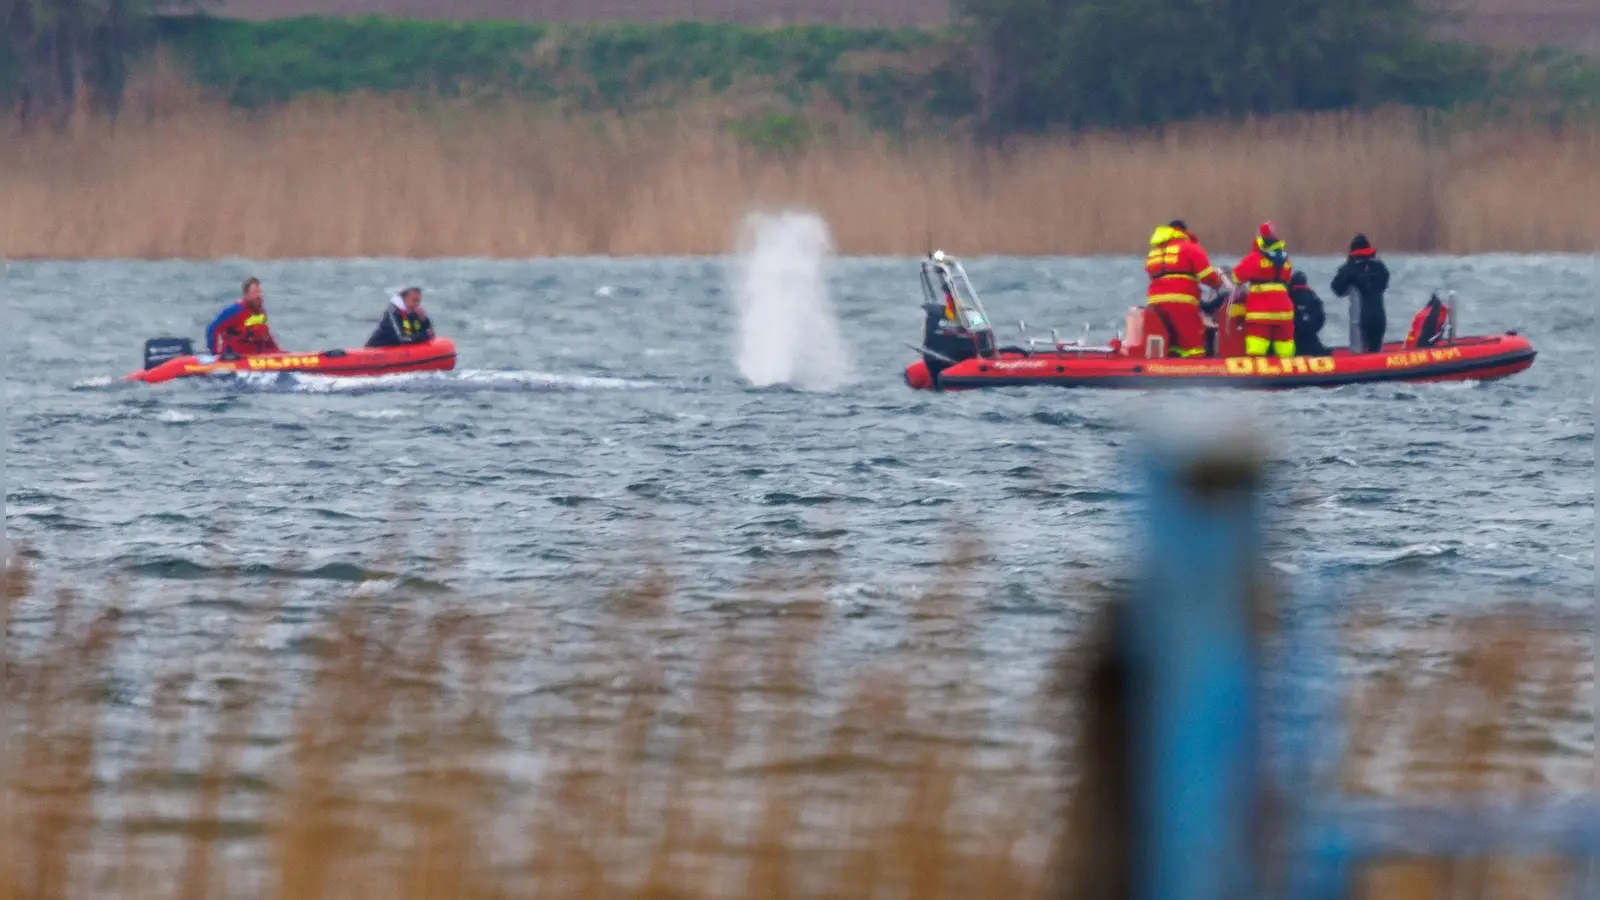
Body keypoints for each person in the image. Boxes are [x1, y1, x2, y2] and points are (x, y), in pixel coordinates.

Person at [1142, 220, 1226, 358]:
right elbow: (1206, 276)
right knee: (1193, 340)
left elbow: (1152, 273)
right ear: (1184, 232)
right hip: (1180, 300)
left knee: (1173, 341)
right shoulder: (1190, 248)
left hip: (1155, 302)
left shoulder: (1154, 252)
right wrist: (1217, 282)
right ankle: (1197, 368)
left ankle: (1173, 363)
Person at [1231, 222, 1296, 358]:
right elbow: (1288, 276)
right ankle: (1286, 371)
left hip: (1261, 311)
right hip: (1284, 311)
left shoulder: (1255, 258)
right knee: (1285, 345)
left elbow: (1236, 276)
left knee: (1256, 345)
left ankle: (1256, 374)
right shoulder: (1286, 260)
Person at [1331, 233, 1390, 353]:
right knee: (1376, 351)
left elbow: (1337, 288)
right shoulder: (1380, 267)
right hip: (1379, 318)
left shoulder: (1349, 269)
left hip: (1361, 320)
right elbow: (1384, 283)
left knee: (1358, 352)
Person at [206, 277, 280, 358]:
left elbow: (266, 337)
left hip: (257, 356)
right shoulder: (235, 310)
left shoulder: (261, 312)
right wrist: (215, 355)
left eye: (260, 292)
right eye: (255, 292)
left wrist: (279, 353)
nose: (259, 295)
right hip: (236, 358)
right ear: (246, 294)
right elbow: (212, 328)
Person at [366, 287, 435, 348]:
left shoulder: (413, 311)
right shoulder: (393, 312)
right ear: (403, 299)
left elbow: (422, 331)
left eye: (418, 301)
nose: (417, 304)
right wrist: (425, 335)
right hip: (377, 350)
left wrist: (423, 320)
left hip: (396, 351)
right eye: (414, 300)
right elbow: (402, 339)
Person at [1288, 271, 1329, 356]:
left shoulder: (1288, 295)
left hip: (1294, 339)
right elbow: (1321, 318)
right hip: (1311, 337)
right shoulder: (1313, 296)